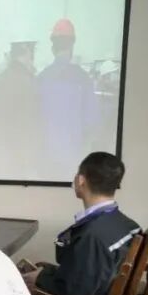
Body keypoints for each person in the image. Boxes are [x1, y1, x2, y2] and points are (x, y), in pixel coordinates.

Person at [23, 152, 141, 295]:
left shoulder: (92, 236)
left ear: (80, 180)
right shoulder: (128, 225)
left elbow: (75, 291)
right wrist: (45, 272)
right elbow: (88, 273)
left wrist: (40, 278)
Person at [38, 18, 100, 178]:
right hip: (73, 159)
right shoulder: (82, 78)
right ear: (72, 46)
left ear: (53, 47)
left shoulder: (42, 78)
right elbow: (91, 122)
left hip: (45, 158)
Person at [0, 38, 41, 177]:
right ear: (27, 50)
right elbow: (31, 125)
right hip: (18, 161)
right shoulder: (27, 82)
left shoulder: (1, 79)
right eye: (33, 49)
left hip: (0, 159)